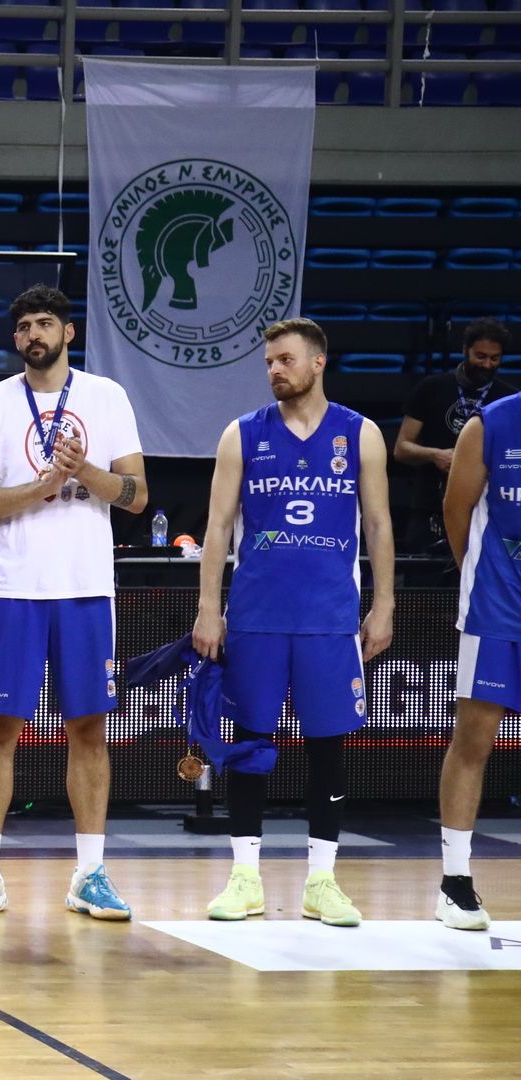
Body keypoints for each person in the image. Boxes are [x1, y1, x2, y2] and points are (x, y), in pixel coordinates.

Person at [192, 318, 396, 928]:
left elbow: (379, 524)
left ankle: (322, 881)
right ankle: (244, 877)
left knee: (328, 746)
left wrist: (384, 605)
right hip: (256, 616)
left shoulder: (360, 434)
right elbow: (217, 527)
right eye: (269, 362)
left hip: (329, 618)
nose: (274, 370)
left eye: (285, 359)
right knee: (250, 742)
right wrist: (208, 607)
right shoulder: (241, 434)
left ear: (317, 362)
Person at [0, 284, 149, 922]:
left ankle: (90, 874)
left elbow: (137, 495)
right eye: (24, 326)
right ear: (16, 339)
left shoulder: (107, 397)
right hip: (13, 587)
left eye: (45, 323)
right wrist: (42, 485)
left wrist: (83, 471)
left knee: (89, 727)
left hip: (85, 585)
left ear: (68, 332)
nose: (33, 334)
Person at [435, 392, 521, 931]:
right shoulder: (490, 425)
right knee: (474, 740)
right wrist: (479, 574)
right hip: (496, 606)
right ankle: (455, 882)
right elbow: (456, 510)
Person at [395, 318, 512, 553]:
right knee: (422, 573)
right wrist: (434, 455)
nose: (487, 364)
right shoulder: (431, 388)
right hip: (429, 503)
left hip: (487, 507)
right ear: (465, 350)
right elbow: (402, 448)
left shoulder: (508, 398)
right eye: (480, 356)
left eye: (494, 358)